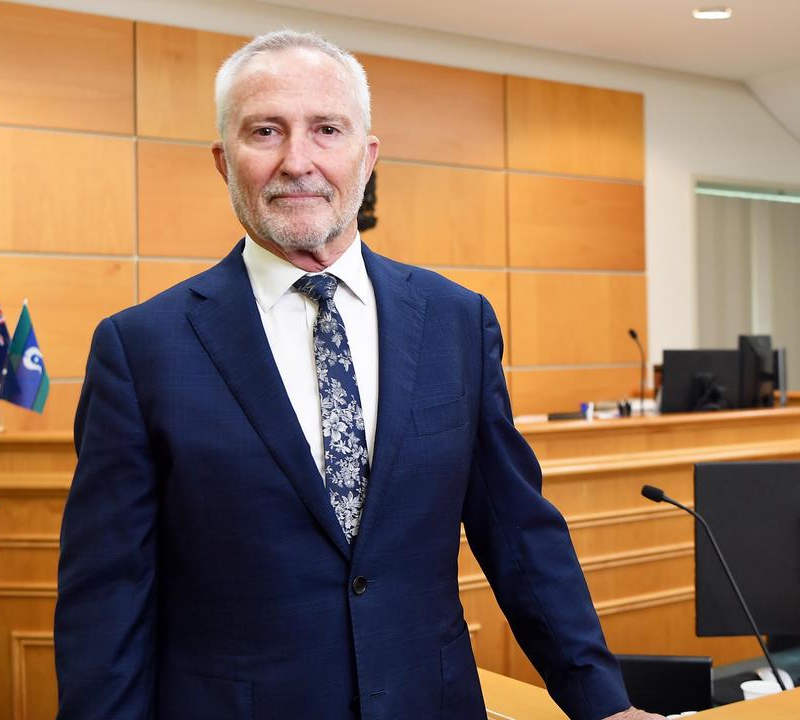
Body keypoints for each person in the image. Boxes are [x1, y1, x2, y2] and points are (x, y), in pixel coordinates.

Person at [54, 29, 663, 720]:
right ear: (224, 162)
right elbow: (109, 594)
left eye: (326, 129)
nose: (298, 161)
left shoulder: (456, 321)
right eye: (265, 131)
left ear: (366, 156)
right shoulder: (140, 348)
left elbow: (519, 532)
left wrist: (602, 703)